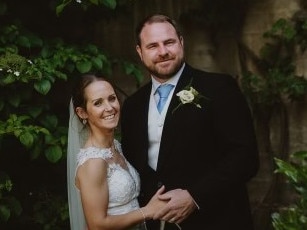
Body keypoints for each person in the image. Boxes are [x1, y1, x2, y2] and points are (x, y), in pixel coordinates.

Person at [120, 14, 260, 230]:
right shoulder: (132, 107)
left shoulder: (219, 88)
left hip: (218, 221)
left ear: (181, 42)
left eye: (169, 42)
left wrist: (195, 196)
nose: (163, 51)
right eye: (152, 46)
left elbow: (246, 157)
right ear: (140, 52)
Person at [67, 74, 167, 230]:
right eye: (98, 103)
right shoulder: (93, 163)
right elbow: (97, 225)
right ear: (82, 113)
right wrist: (147, 211)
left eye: (112, 98)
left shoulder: (115, 146)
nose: (109, 107)